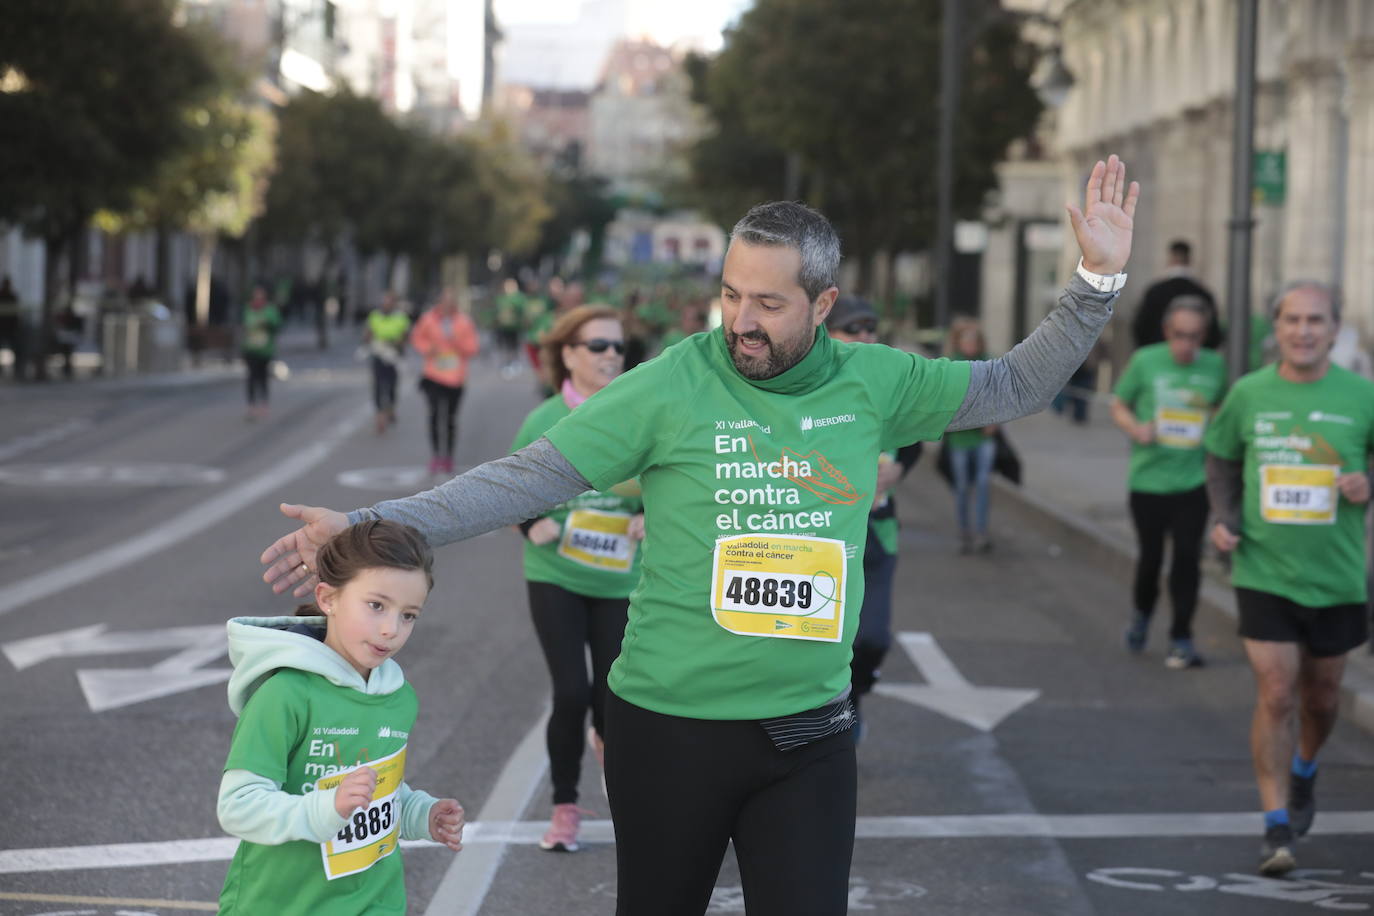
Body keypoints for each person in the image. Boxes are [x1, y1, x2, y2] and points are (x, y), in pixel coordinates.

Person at [260, 156, 1139, 915]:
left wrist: (1094, 284)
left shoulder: (878, 382)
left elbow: (1016, 385)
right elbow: (528, 478)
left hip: (808, 734)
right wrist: (371, 524)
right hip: (669, 730)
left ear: (824, 303)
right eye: (729, 294)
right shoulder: (672, 384)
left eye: (768, 302)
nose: (741, 321)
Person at [1204, 281, 1374, 876]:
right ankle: (1276, 826)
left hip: (1338, 576)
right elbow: (1220, 458)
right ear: (1274, 328)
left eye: (1315, 320)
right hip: (1263, 570)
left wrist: (1367, 482)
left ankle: (1305, 768)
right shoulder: (1249, 393)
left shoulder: (1361, 395)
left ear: (1334, 329)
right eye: (1292, 320)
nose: (1303, 330)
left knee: (1322, 698)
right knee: (1276, 691)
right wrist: (1224, 520)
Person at [217, 519, 465, 914]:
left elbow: (378, 790)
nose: (391, 629)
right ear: (328, 598)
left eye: (409, 615)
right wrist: (324, 810)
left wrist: (420, 813)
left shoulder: (399, 697)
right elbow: (238, 806)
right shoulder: (285, 694)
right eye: (376, 606)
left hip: (377, 902)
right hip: (282, 904)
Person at [510, 305, 645, 852]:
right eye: (598, 346)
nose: (611, 354)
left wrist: (651, 515)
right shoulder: (543, 421)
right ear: (568, 355)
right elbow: (508, 490)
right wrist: (531, 525)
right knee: (570, 693)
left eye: (617, 346)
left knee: (611, 698)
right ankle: (565, 807)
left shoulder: (638, 415)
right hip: (556, 575)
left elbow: (669, 479)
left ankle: (628, 794)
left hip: (620, 579)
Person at [1111, 295, 1227, 668]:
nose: (1186, 344)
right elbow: (1118, 403)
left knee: (1187, 559)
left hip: (1194, 481)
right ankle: (1142, 615)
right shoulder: (1146, 361)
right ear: (1166, 332)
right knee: (1151, 559)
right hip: (1148, 480)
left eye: (1194, 336)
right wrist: (1137, 428)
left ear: (1204, 336)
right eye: (1179, 335)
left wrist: (1216, 431)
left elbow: (1223, 409)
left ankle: (1181, 637)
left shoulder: (1215, 367)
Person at [825, 294, 921, 734]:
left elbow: (917, 433)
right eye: (852, 330)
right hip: (821, 535)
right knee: (819, 637)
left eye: (870, 329)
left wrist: (900, 468)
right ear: (828, 334)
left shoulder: (890, 384)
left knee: (874, 638)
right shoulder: (812, 387)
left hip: (877, 533)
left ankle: (856, 694)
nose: (864, 338)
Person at [410, 288, 479, 475]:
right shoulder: (429, 319)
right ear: (440, 302)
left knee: (449, 418)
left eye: (451, 301)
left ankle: (448, 456)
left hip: (456, 378)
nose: (448, 305)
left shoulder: (464, 322)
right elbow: (417, 337)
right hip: (433, 375)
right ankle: (435, 455)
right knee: (433, 416)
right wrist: (427, 348)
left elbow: (473, 347)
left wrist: (457, 343)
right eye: (444, 301)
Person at [944, 318, 998, 553]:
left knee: (984, 483)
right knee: (963, 487)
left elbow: (999, 394)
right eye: (966, 340)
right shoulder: (951, 364)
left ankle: (982, 532)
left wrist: (994, 420)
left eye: (974, 340)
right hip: (960, 437)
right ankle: (964, 532)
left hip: (984, 436)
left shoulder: (989, 363)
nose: (970, 344)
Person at [1131, 239, 1223, 350]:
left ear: (1170, 258)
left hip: (1157, 354)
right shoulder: (1203, 293)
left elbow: (1141, 328)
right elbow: (1214, 334)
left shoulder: (1155, 292)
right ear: (1189, 259)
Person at [363, 291, 411, 435]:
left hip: (394, 356)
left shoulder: (401, 317)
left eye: (390, 302)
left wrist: (397, 343)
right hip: (378, 354)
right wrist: (371, 340)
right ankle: (380, 417)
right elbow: (367, 334)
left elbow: (406, 336)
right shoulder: (375, 316)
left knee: (391, 385)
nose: (387, 304)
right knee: (378, 385)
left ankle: (390, 407)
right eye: (385, 301)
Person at [240, 285, 281, 420]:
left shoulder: (270, 310)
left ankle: (264, 403)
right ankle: (251, 405)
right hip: (251, 349)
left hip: (265, 350)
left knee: (263, 377)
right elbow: (245, 326)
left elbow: (276, 325)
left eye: (260, 296)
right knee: (251, 377)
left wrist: (267, 324)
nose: (258, 299)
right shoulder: (249, 309)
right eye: (256, 296)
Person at [0, 274, 20, 380]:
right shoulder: (7, 295)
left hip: (10, 327)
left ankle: (17, 369)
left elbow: (16, 313)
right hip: (5, 327)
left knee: (15, 348)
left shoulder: (12, 296)